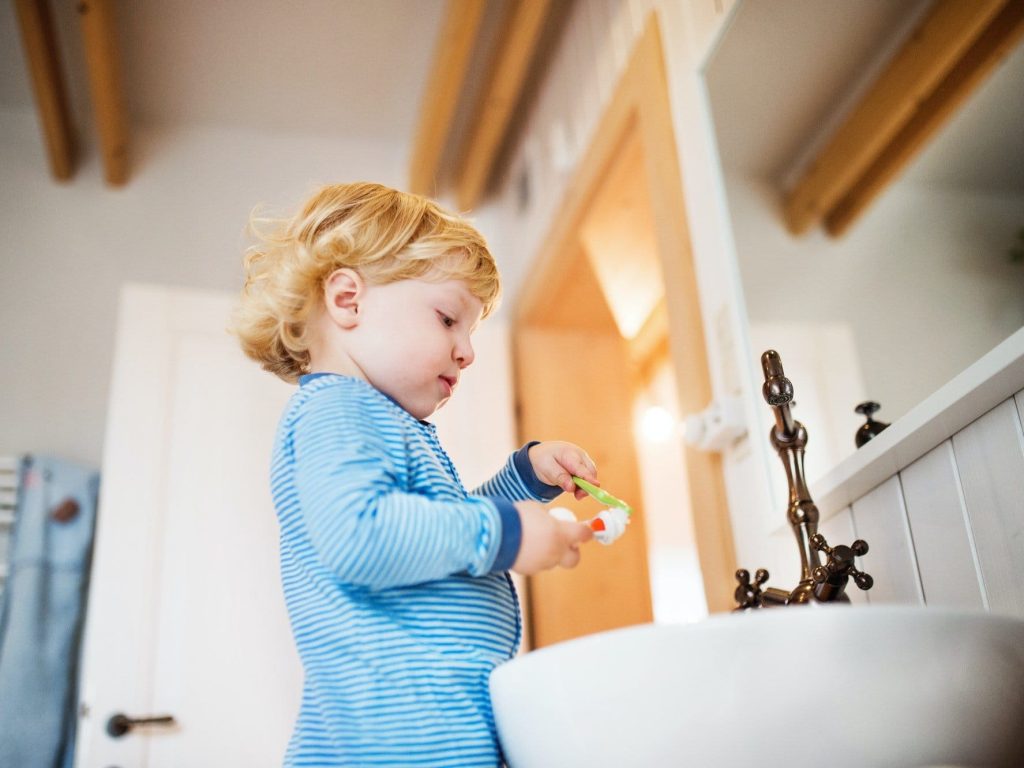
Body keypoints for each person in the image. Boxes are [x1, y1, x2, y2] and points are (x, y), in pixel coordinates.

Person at [232, 182, 599, 766]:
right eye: (449, 319)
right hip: (390, 748)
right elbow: (362, 537)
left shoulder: (380, 420)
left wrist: (523, 480)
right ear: (348, 301)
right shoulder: (338, 409)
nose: (467, 352)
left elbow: (433, 533)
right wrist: (506, 532)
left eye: (471, 333)